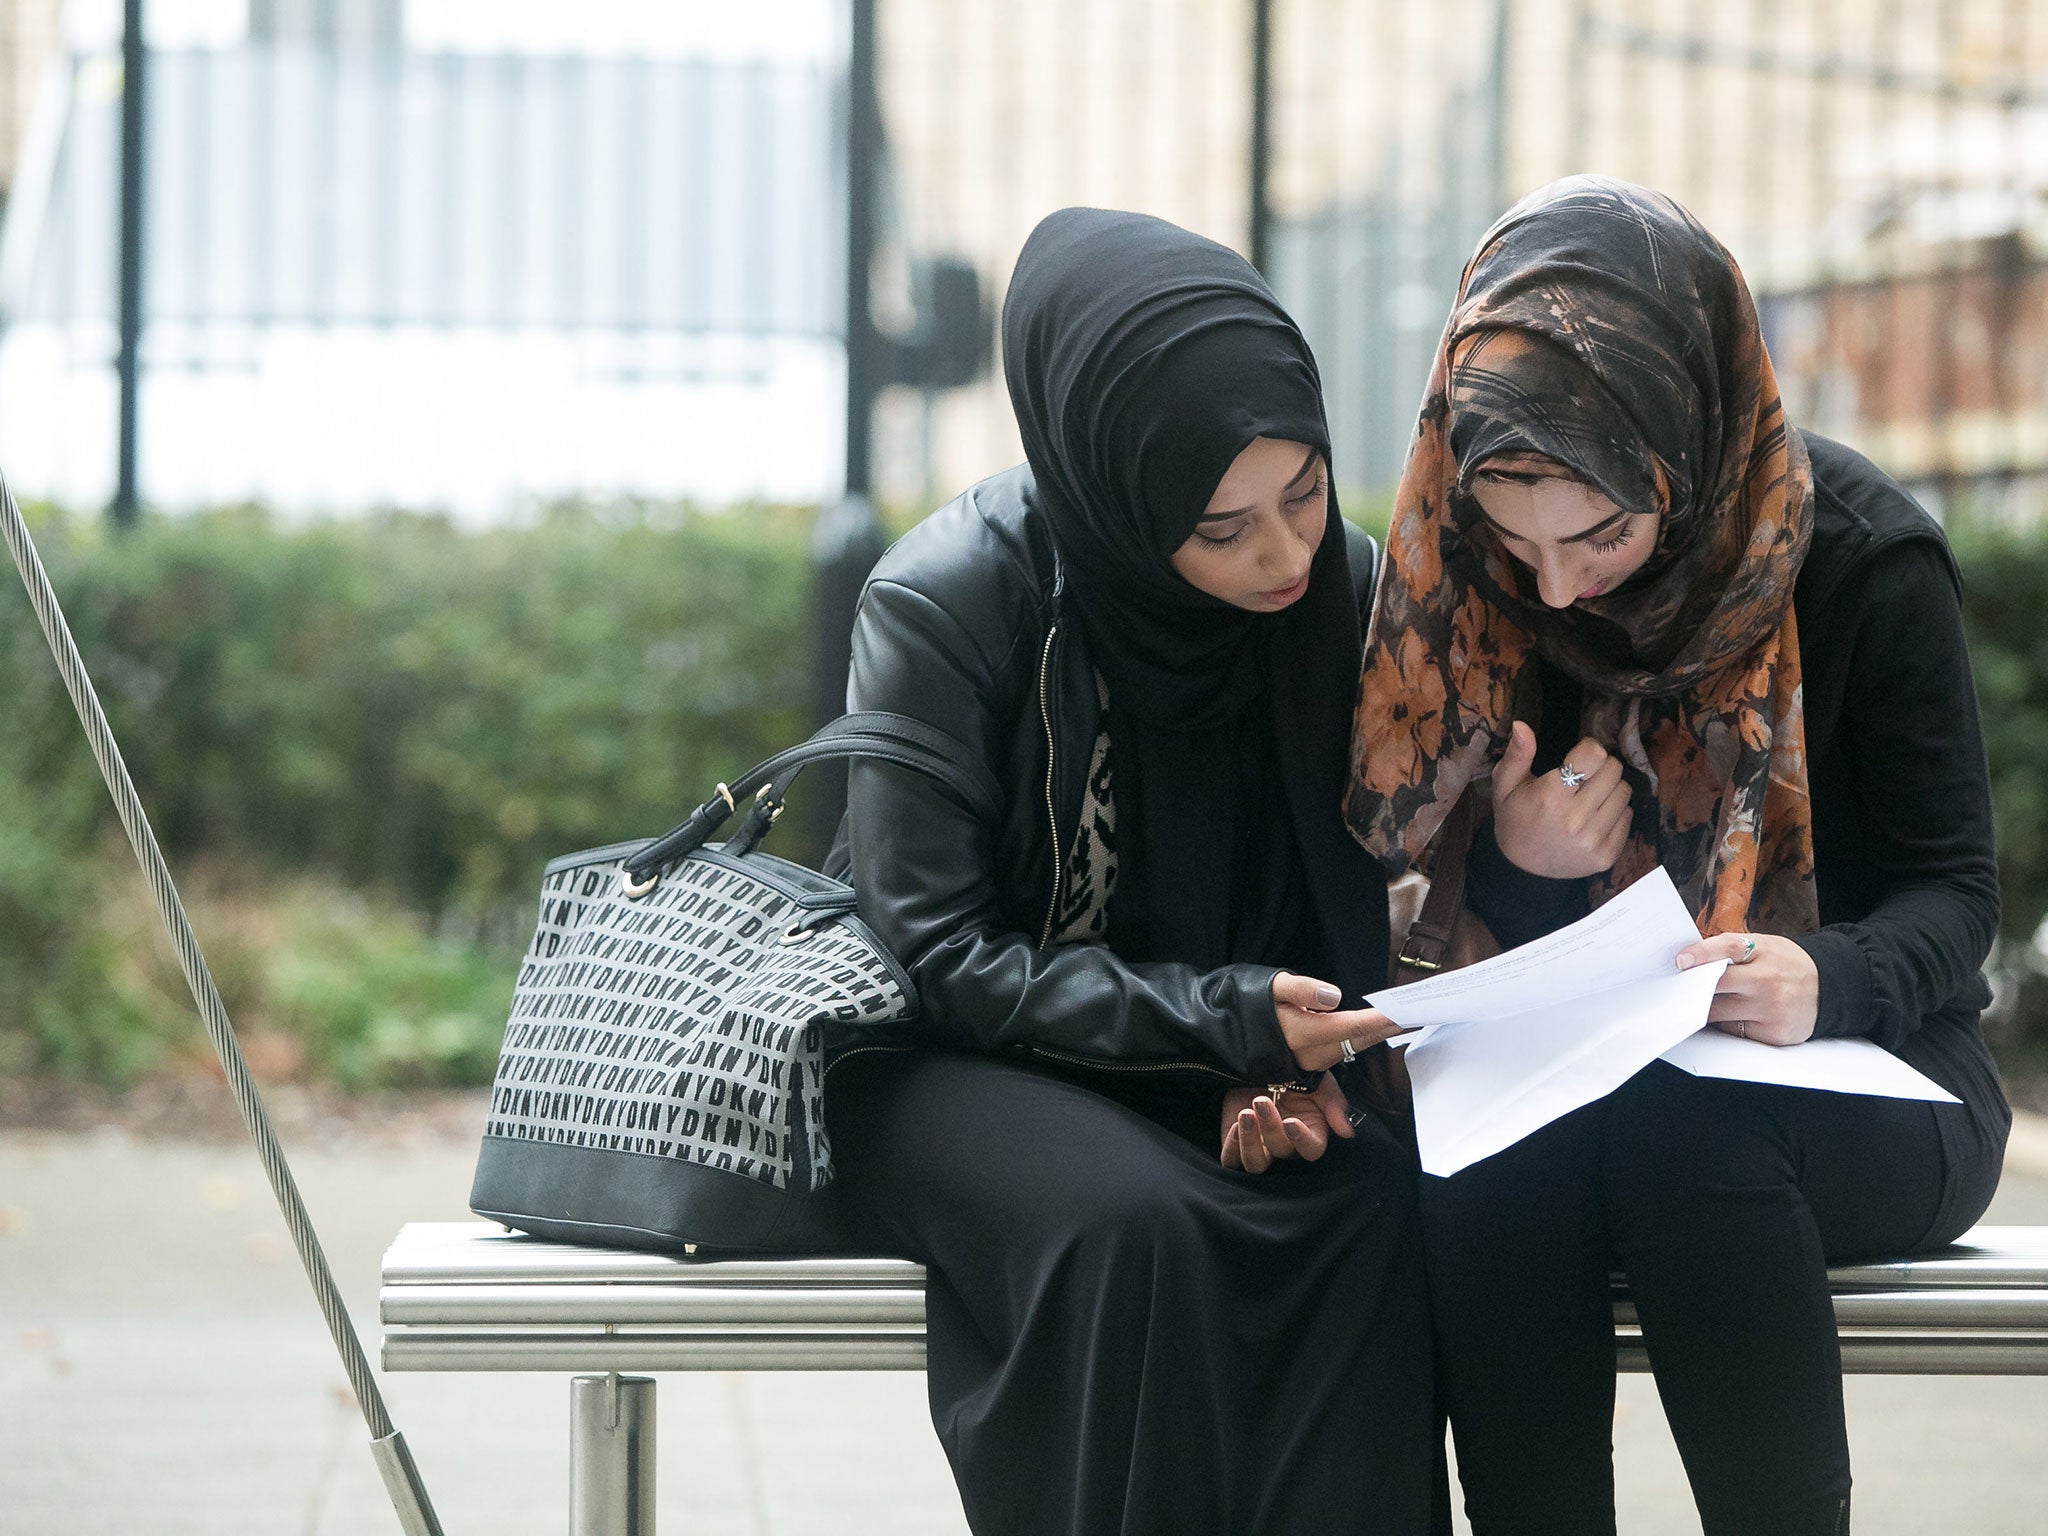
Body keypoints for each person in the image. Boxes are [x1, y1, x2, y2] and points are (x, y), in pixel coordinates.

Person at [1341, 175, 2012, 1536]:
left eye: (1601, 534)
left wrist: (1829, 974)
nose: (1559, 588)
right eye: (1518, 540)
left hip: (1880, 1064)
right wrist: (1522, 861)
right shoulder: (1482, 576)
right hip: (1581, 1067)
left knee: (1684, 1132)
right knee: (1486, 1163)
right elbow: (1419, 910)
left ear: (1686, 448)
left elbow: (1960, 897)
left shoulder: (1865, 563)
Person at [824, 207, 1440, 1536]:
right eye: (1223, 529)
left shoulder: (1337, 591)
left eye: (1305, 493)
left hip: (1213, 1047)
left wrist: (1267, 1068)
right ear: (1113, 486)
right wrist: (1210, 1035)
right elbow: (928, 957)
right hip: (948, 1059)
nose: (1282, 558)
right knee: (1137, 1230)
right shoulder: (946, 604)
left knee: (1372, 1205)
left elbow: (1329, 900)